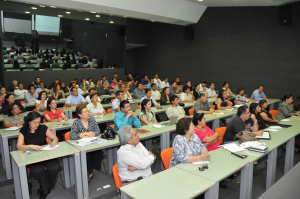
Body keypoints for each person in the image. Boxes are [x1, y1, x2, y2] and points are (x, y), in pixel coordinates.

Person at [16, 112, 61, 198]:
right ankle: (46, 189)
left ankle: (45, 186)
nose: (37, 124)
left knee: (55, 167)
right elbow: (19, 146)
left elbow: (54, 138)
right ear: (29, 122)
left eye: (38, 122)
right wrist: (30, 146)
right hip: (32, 155)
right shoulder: (23, 130)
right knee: (38, 170)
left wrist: (54, 142)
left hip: (45, 153)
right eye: (34, 122)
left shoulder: (43, 128)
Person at [70, 105, 103, 182]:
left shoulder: (92, 120)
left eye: (87, 111)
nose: (88, 113)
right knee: (87, 155)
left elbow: (98, 131)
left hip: (93, 143)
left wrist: (93, 134)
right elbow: (72, 136)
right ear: (80, 115)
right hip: (82, 146)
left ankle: (92, 168)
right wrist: (81, 135)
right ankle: (90, 172)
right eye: (85, 112)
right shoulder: (76, 122)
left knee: (99, 153)